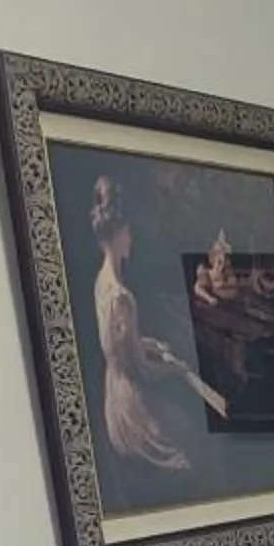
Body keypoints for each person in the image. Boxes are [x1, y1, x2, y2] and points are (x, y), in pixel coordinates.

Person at [88, 177, 202, 471]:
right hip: (131, 404)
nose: (131, 239)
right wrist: (175, 368)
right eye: (128, 233)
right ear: (119, 234)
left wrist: (150, 343)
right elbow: (142, 370)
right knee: (192, 440)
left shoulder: (102, 282)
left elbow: (118, 346)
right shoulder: (122, 297)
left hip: (113, 392)